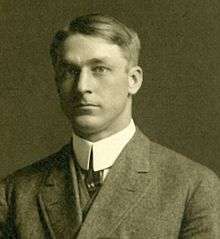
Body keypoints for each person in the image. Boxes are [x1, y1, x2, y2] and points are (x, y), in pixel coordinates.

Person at [0, 13, 219, 239]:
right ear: (57, 82)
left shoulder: (193, 186)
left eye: (99, 69)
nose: (82, 86)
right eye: (70, 71)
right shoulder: (16, 192)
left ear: (133, 80)